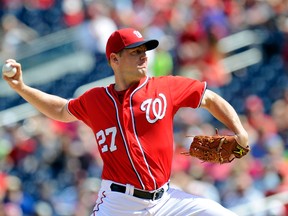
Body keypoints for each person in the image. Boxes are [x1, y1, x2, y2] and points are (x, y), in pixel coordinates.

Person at [3, 28, 249, 216]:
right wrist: (22, 88)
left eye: (144, 51)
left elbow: (210, 98)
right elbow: (60, 109)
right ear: (114, 60)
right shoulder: (97, 99)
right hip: (119, 203)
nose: (143, 57)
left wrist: (239, 130)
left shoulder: (164, 88)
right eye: (135, 52)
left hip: (167, 200)